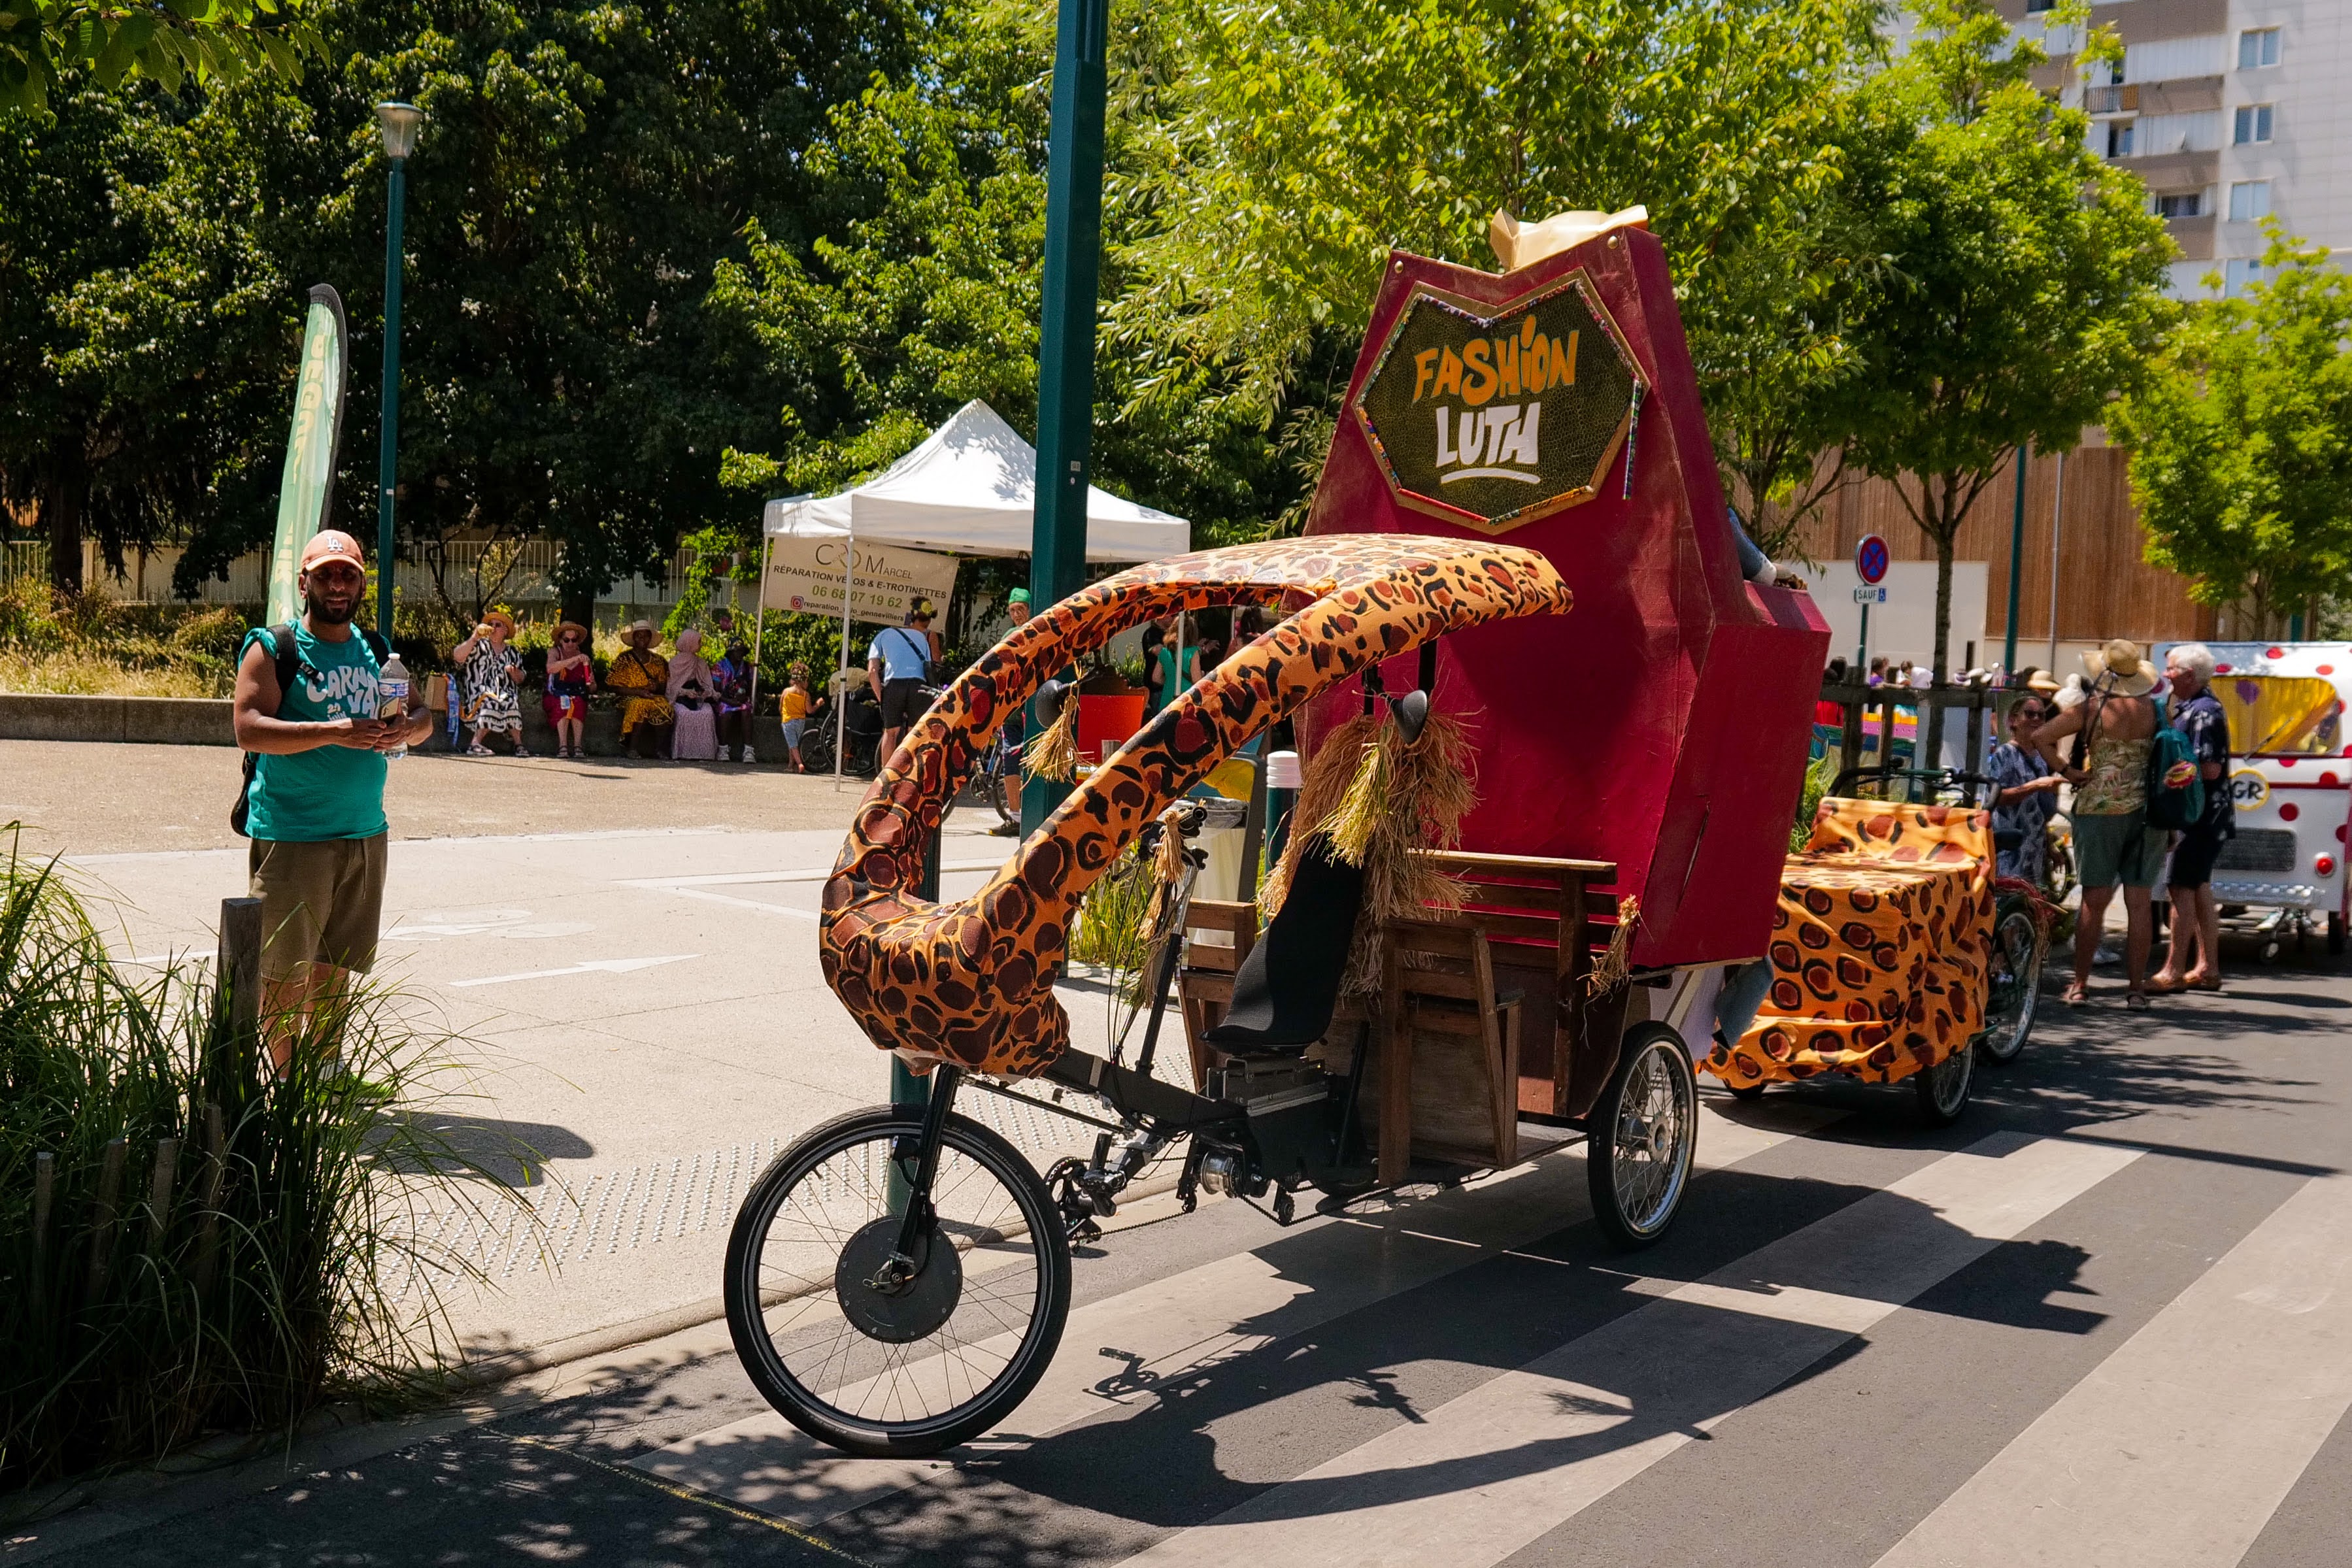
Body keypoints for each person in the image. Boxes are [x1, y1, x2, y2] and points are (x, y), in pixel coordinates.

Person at [231, 530, 432, 1073]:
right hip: (295, 833)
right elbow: (249, 728)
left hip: (365, 831)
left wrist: (405, 731)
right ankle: (287, 1077)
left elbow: (422, 717)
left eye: (348, 575)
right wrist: (333, 730)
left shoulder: (376, 649)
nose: (337, 585)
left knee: (335, 963)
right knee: (281, 969)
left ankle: (323, 1068)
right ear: (305, 582)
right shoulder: (274, 646)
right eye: (326, 574)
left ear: (361, 583)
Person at [2034, 638, 2164, 1007]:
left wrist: (2068, 771)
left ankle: (2079, 984)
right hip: (2147, 813)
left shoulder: (2091, 709)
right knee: (2140, 903)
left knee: (2094, 900)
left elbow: (2041, 737)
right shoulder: (2156, 710)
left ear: (2106, 672)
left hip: (2098, 809)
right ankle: (2137, 990)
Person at [2152, 641, 2233, 993]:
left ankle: (2172, 970)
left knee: (2181, 887)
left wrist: (2166, 776)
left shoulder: (2203, 712)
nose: (2165, 675)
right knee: (2198, 888)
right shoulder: (2196, 707)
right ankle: (2207, 969)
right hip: (2204, 815)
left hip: (2198, 816)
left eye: (2170, 669)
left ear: (2187, 674)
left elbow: (2210, 769)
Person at [1986, 692, 2063, 884]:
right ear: (2014, 720)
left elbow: (2038, 811)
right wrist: (2034, 786)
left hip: (2033, 851)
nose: (2036, 719)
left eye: (2041, 715)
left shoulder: (2041, 758)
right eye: (2030, 714)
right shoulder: (2004, 755)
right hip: (2009, 849)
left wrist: (2050, 848)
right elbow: (1997, 797)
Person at [454, 610, 526, 757]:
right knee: (489, 699)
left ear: (505, 630)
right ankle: (474, 744)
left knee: (511, 701)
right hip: (478, 693)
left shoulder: (512, 652)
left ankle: (518, 744)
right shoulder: (478, 646)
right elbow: (458, 656)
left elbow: (521, 679)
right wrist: (474, 637)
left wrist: (514, 672)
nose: (493, 627)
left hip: (505, 693)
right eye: (490, 624)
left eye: (497, 625)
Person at [867, 606, 935, 761]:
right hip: (919, 686)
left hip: (894, 685)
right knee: (915, 733)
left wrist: (881, 698)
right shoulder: (921, 638)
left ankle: (886, 779)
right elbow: (929, 666)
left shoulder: (882, 636)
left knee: (890, 733)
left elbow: (872, 672)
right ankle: (910, 776)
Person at [609, 620, 676, 758]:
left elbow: (663, 687)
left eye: (646, 636)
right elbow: (613, 686)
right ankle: (632, 748)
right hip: (629, 696)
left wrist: (656, 686)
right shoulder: (624, 659)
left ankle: (660, 749)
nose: (642, 639)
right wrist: (638, 692)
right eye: (639, 635)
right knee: (639, 705)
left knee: (666, 707)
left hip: (652, 696)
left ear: (650, 638)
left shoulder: (659, 660)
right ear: (634, 638)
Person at [543, 622, 594, 759]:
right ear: (560, 640)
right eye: (567, 640)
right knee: (564, 702)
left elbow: (593, 687)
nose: (570, 643)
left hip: (576, 693)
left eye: (574, 640)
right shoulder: (555, 652)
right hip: (555, 693)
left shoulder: (583, 658)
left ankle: (578, 745)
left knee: (578, 702)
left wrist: (591, 681)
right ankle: (563, 746)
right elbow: (551, 668)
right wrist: (572, 660)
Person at [668, 627, 719, 761]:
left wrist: (704, 693)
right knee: (683, 714)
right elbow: (670, 687)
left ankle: (704, 753)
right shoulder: (674, 663)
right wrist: (684, 692)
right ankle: (682, 752)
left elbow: (706, 683)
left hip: (697, 698)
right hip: (679, 699)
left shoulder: (700, 662)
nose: (701, 645)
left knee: (707, 714)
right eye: (699, 642)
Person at [713, 639, 757, 762]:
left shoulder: (748, 667)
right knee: (725, 712)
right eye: (738, 651)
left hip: (741, 699)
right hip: (724, 699)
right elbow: (717, 691)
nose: (741, 654)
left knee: (746, 710)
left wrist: (744, 697)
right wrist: (729, 701)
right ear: (731, 652)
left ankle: (748, 749)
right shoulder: (719, 666)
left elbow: (750, 686)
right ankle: (723, 748)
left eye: (742, 651)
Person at [780, 661, 816, 772]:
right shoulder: (806, 694)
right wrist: (818, 705)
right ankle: (791, 765)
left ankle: (800, 764)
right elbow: (809, 710)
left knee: (793, 745)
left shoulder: (786, 692)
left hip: (788, 721)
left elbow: (780, 707)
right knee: (793, 744)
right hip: (801, 722)